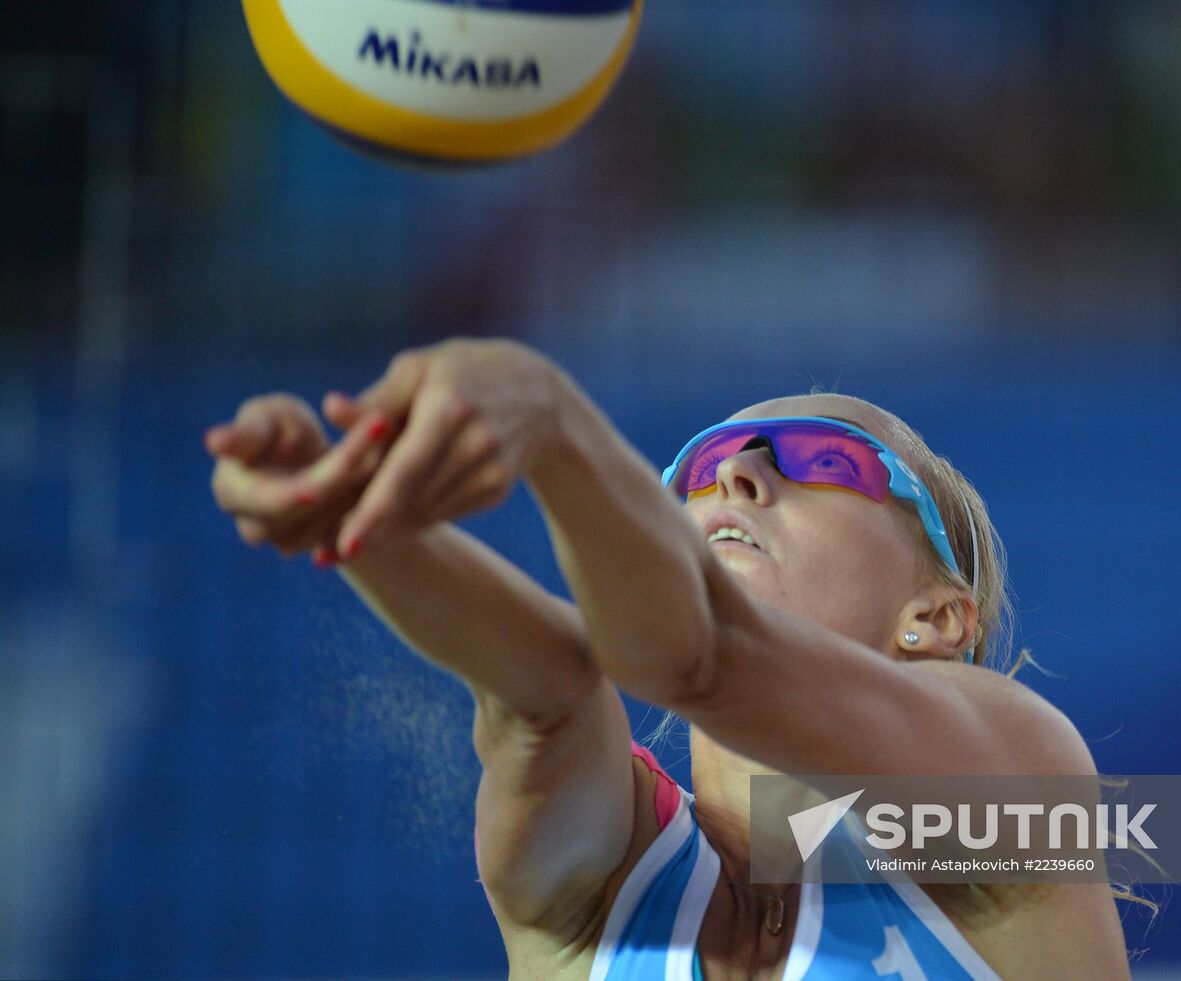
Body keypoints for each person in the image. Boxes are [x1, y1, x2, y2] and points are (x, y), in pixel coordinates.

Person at [207, 338, 1132, 979]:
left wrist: (552, 419)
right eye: (693, 473)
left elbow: (701, 655)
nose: (735, 475)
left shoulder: (1021, 787)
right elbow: (546, 692)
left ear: (934, 618)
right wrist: (350, 517)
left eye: (820, 458)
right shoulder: (611, 884)